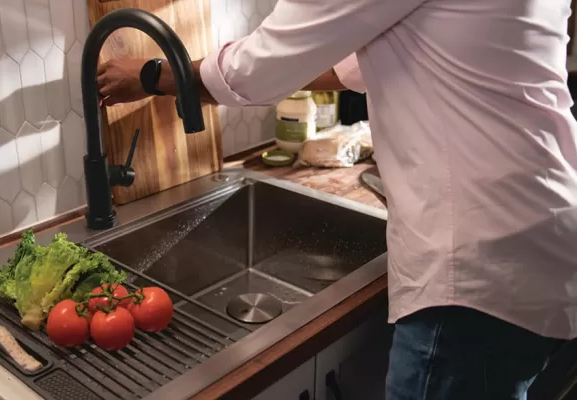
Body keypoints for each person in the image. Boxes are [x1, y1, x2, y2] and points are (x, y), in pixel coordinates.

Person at [96, 1, 577, 398]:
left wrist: (153, 73)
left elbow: (258, 68)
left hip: (475, 270)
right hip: (541, 226)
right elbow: (354, 64)